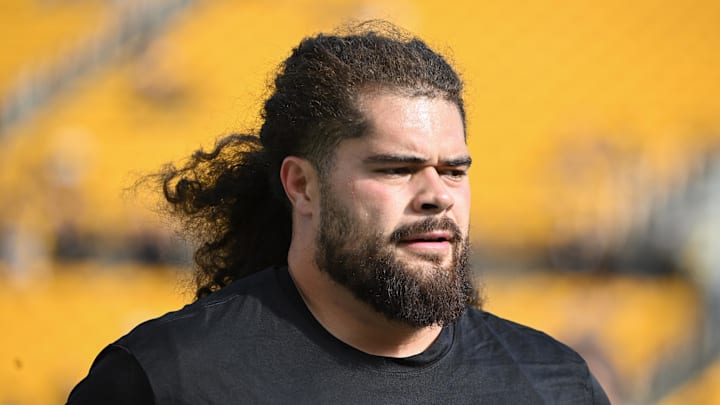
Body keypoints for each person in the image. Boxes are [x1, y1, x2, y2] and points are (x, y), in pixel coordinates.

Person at [67, 21, 609, 404]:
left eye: (453, 171)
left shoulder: (556, 385)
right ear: (302, 186)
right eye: (396, 169)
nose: (437, 195)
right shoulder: (168, 378)